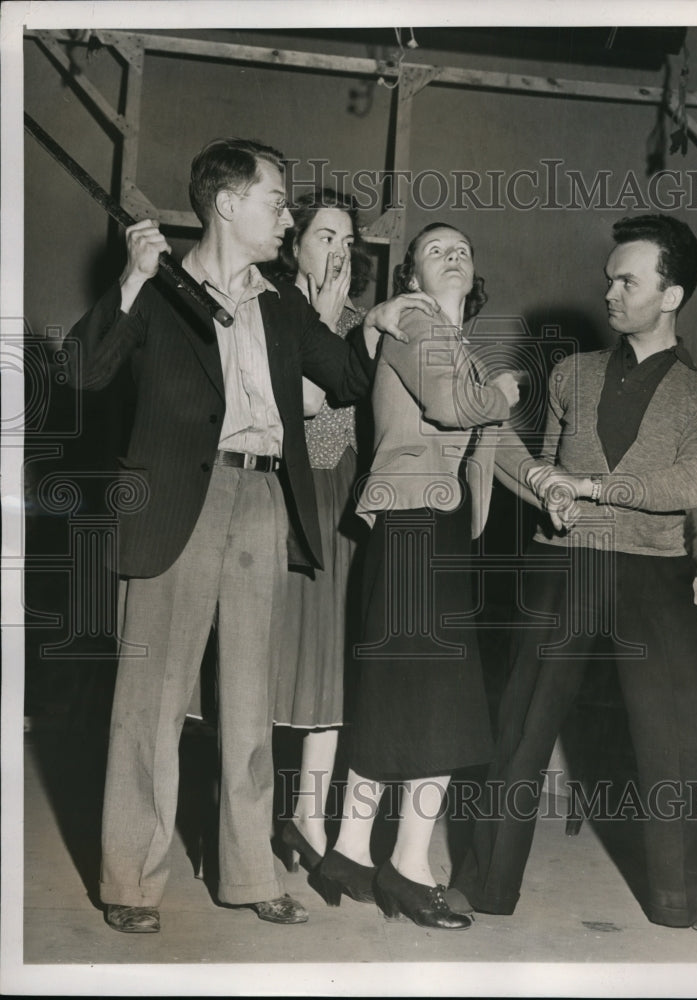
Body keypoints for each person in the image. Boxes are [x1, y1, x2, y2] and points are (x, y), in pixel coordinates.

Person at [63, 138, 437, 933]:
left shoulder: (278, 303)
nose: (288, 216)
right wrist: (129, 282)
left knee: (250, 703)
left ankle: (248, 872)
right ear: (227, 203)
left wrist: (376, 322)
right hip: (176, 505)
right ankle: (130, 881)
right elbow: (84, 374)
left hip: (265, 500)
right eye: (277, 200)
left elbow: (349, 380)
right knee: (150, 705)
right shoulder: (157, 293)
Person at [449, 214, 697, 938]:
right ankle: (482, 882)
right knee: (520, 719)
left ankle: (686, 898)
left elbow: (692, 483)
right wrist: (553, 491)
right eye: (609, 277)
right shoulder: (573, 373)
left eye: (627, 279)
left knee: (679, 730)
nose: (610, 290)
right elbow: (546, 463)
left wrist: (593, 490)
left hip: (653, 569)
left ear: (670, 295)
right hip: (564, 562)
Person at [312, 222, 547, 930]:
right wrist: (505, 389)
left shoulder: (457, 347)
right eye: (436, 249)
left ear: (475, 278)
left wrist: (548, 485)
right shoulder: (417, 322)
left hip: (426, 527)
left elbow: (493, 443)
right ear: (411, 277)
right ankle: (409, 866)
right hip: (417, 522)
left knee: (400, 691)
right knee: (443, 702)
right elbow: (456, 409)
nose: (454, 256)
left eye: (465, 250)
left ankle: (349, 851)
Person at [268, 190, 371, 869]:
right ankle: (247, 816)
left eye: (347, 238)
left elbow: (335, 438)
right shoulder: (264, 306)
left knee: (328, 664)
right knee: (263, 664)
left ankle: (308, 818)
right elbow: (289, 417)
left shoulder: (364, 323)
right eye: (325, 234)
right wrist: (325, 327)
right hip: (271, 494)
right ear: (293, 243)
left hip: (337, 503)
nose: (338, 249)